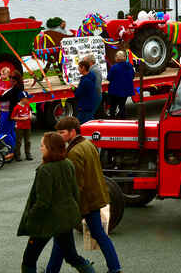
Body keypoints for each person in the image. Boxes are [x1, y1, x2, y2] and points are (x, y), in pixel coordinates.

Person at [52, 117, 122, 273]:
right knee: (99, 235)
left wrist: (66, 205)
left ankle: (52, 270)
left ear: (73, 132)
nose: (59, 136)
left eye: (62, 132)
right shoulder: (88, 144)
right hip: (95, 198)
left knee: (61, 238)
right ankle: (115, 268)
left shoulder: (74, 152)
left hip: (85, 202)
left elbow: (76, 184)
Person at [18, 131, 95, 273]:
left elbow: (43, 202)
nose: (40, 148)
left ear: (50, 148)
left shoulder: (45, 170)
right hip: (65, 219)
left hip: (46, 222)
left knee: (29, 259)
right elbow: (75, 192)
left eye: (42, 145)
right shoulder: (68, 164)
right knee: (72, 256)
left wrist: (31, 218)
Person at [0, 67, 24, 160]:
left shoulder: (15, 89)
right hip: (8, 112)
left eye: (10, 78)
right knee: (11, 132)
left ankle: (13, 151)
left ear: (15, 80)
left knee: (4, 132)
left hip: (8, 113)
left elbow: (5, 97)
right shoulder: (14, 88)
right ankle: (15, 151)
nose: (9, 79)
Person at [106, 51, 134, 119]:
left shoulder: (114, 67)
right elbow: (132, 76)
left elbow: (109, 78)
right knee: (122, 106)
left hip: (115, 91)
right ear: (125, 58)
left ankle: (113, 120)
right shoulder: (129, 66)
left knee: (113, 107)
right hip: (126, 91)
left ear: (116, 58)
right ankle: (123, 119)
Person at [73, 60, 98, 125]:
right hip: (90, 104)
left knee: (81, 124)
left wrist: (74, 89)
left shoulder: (85, 81)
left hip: (84, 106)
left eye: (79, 67)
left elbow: (78, 94)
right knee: (89, 122)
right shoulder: (92, 76)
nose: (78, 69)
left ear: (83, 68)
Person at [11, 92, 34, 161]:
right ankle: (17, 155)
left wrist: (30, 115)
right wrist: (21, 119)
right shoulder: (17, 107)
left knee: (28, 141)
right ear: (22, 99)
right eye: (27, 98)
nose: (28, 100)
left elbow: (30, 111)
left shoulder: (27, 105)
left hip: (27, 125)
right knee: (19, 141)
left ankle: (28, 153)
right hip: (19, 127)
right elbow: (12, 117)